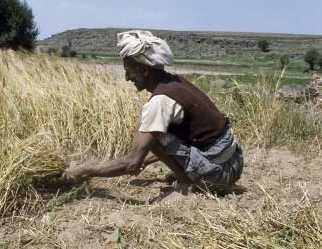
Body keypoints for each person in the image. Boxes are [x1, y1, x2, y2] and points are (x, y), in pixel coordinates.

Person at [63, 30, 243, 198]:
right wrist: (146, 160)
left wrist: (85, 170)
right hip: (234, 161)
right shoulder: (176, 82)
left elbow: (131, 163)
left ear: (145, 70)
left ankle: (185, 183)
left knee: (149, 129)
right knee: (154, 130)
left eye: (129, 72)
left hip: (219, 175)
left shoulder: (160, 101)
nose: (127, 78)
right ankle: (189, 175)